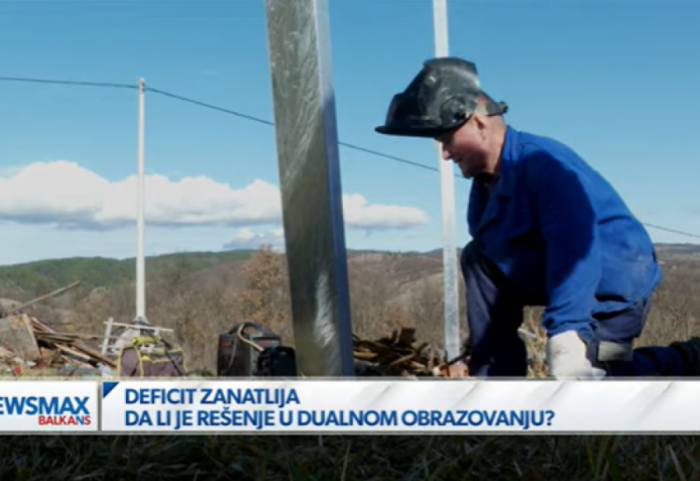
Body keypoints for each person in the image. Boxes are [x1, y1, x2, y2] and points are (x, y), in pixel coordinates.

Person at [374, 56, 700, 379]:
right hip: (556, 278)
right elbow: (496, 272)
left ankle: (684, 357)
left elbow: (575, 249)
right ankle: (496, 375)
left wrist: (567, 337)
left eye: (446, 139)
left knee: (610, 368)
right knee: (479, 255)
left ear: (478, 122)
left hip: (616, 292)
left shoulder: (546, 166)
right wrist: (483, 342)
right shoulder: (487, 184)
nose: (444, 153)